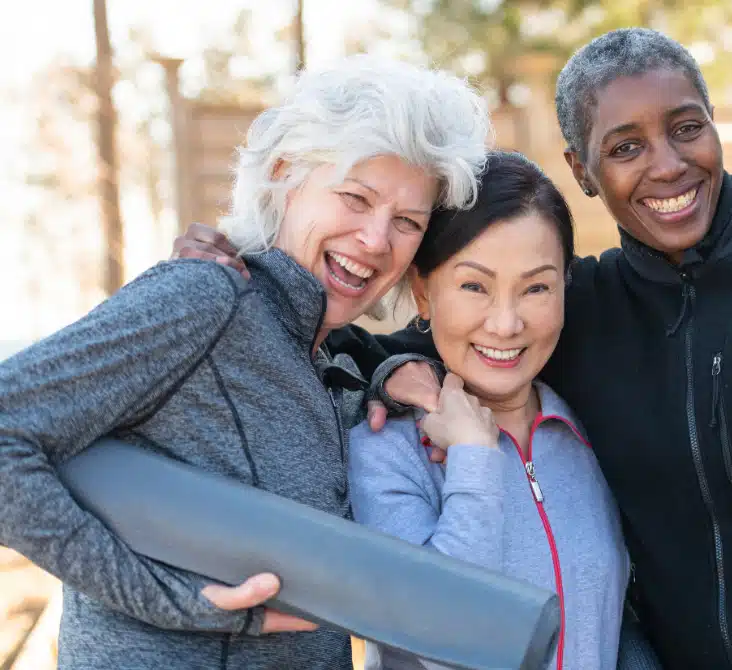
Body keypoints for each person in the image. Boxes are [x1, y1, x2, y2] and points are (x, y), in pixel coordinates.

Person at [173, 29, 732, 670]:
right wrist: (246, 279)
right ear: (583, 169)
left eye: (687, 129)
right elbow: (357, 340)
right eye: (626, 146)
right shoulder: (572, 307)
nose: (669, 166)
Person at [0, 55, 489, 670]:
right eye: (355, 198)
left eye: (406, 222)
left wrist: (385, 380)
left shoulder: (327, 351)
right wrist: (175, 600)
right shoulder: (204, 298)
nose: (375, 239)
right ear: (285, 175)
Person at [348, 151, 659, 670]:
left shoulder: (588, 433)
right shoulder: (385, 448)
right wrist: (473, 455)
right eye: (474, 286)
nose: (506, 323)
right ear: (424, 293)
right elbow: (439, 634)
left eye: (536, 287)